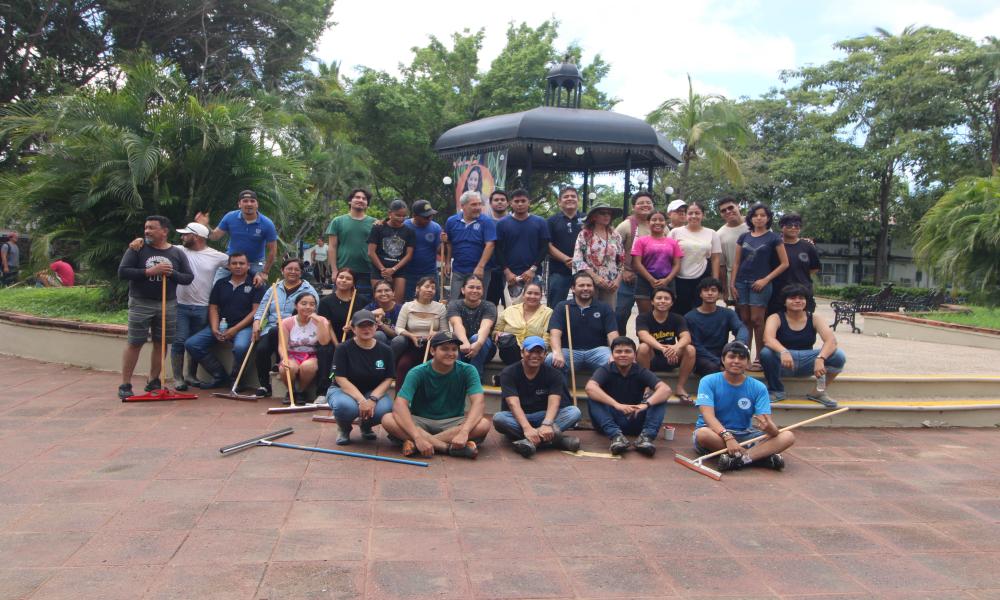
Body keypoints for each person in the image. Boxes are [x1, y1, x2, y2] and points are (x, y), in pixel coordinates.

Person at [116, 216, 194, 400]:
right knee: (135, 342)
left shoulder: (176, 253)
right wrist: (149, 272)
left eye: (151, 228)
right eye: (146, 227)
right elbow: (123, 272)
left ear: (164, 231)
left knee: (162, 342)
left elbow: (188, 277)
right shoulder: (137, 248)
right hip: (141, 302)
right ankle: (125, 383)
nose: (147, 231)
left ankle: (153, 380)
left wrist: (171, 273)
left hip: (168, 303)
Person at [381, 331, 491, 459]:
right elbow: (400, 405)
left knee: (484, 424)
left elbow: (479, 403)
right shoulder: (417, 372)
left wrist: (465, 431)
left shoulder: (468, 370)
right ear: (432, 351)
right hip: (420, 420)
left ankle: (420, 444)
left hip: (453, 422)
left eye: (454, 349)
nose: (450, 353)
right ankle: (447, 448)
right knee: (388, 419)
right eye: (444, 349)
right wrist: (417, 436)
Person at [693, 341, 794, 472]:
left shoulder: (758, 387)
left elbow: (768, 424)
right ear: (723, 360)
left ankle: (740, 459)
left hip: (745, 435)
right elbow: (708, 416)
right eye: (731, 357)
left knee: (788, 436)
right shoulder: (708, 381)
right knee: (702, 434)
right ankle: (760, 457)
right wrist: (727, 437)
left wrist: (771, 429)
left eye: (741, 358)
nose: (736, 361)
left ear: (748, 363)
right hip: (716, 434)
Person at [184, 252, 264, 389]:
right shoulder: (221, 283)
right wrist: (215, 328)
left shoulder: (256, 285)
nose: (238, 266)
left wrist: (235, 329)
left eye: (241, 263)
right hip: (221, 325)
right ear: (228, 266)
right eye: (234, 263)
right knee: (192, 344)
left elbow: (255, 311)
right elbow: (213, 308)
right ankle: (219, 375)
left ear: (248, 266)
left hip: (244, 327)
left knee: (240, 348)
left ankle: (236, 380)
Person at [493, 336, 582, 458]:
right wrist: (527, 428)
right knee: (499, 418)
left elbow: (554, 402)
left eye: (539, 352)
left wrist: (546, 424)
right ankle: (557, 440)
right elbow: (513, 404)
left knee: (574, 412)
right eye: (530, 351)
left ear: (545, 354)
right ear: (522, 353)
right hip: (518, 418)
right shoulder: (508, 372)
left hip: (543, 416)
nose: (535, 355)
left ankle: (528, 442)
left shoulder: (554, 374)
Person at [585, 336, 672, 456]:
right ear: (612, 354)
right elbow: (590, 387)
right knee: (593, 398)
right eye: (618, 351)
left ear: (634, 355)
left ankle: (646, 438)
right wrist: (617, 405)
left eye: (627, 351)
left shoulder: (641, 371)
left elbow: (666, 389)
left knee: (660, 399)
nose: (623, 355)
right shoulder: (605, 370)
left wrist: (645, 405)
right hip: (611, 420)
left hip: (635, 417)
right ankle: (616, 437)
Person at [761, 284, 846, 407]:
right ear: (784, 302)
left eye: (801, 298)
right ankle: (776, 390)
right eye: (792, 298)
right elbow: (768, 339)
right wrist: (783, 351)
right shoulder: (775, 318)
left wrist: (820, 357)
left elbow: (831, 341)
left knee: (838, 355)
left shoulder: (814, 318)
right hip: (784, 363)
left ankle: (818, 392)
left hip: (808, 361)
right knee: (766, 353)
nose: (797, 301)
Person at [169, 222, 229, 390]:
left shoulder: (216, 256)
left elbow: (238, 263)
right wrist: (139, 241)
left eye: (186, 234)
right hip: (180, 305)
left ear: (196, 237)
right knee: (179, 341)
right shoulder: (178, 250)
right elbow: (160, 247)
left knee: (193, 341)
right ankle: (178, 378)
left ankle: (190, 375)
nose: (182, 237)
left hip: (202, 306)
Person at [731, 202, 789, 370]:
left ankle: (761, 357)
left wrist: (766, 279)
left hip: (761, 284)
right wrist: (732, 284)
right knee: (745, 320)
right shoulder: (744, 237)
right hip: (741, 283)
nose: (759, 218)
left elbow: (784, 263)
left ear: (768, 218)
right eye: (756, 215)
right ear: (751, 218)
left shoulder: (774, 238)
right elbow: (736, 263)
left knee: (757, 320)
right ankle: (744, 356)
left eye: (763, 215)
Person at [251, 258, 319, 398]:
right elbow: (262, 308)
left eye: (297, 269)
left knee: (277, 330)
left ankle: (280, 364)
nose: (292, 272)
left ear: (301, 272)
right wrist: (257, 322)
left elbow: (312, 313)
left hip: (295, 332)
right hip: (271, 329)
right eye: (289, 269)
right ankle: (264, 385)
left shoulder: (308, 290)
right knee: (261, 349)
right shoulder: (274, 288)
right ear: (282, 270)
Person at [327, 310, 396, 445]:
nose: (366, 329)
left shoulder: (386, 350)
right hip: (344, 390)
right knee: (345, 407)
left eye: (370, 325)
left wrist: (373, 399)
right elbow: (340, 378)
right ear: (353, 329)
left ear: (376, 327)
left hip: (372, 391)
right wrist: (361, 401)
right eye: (361, 326)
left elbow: (388, 378)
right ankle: (344, 428)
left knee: (384, 409)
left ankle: (366, 425)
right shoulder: (342, 348)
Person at [195, 190, 275, 286]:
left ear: (257, 204)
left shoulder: (267, 223)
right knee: (216, 286)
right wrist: (205, 225)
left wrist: (265, 272)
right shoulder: (230, 217)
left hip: (255, 263)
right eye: (245, 201)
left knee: (259, 288)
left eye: (252, 201)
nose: (249, 204)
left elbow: (272, 250)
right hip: (232, 261)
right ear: (239, 204)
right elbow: (214, 236)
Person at [546, 272, 619, 378]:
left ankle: (602, 393)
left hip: (598, 352)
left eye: (589, 285)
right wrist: (557, 352)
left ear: (594, 288)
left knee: (618, 361)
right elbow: (554, 334)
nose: (585, 288)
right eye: (581, 285)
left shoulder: (604, 308)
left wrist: (614, 353)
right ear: (573, 288)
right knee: (550, 359)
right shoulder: (562, 307)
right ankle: (561, 394)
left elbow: (612, 334)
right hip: (570, 352)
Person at [636, 288, 696, 402]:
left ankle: (680, 387)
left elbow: (686, 337)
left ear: (672, 303)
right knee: (643, 347)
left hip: (671, 359)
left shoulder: (678, 318)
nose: (662, 301)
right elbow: (643, 335)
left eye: (666, 298)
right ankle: (646, 386)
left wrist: (675, 348)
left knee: (690, 349)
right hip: (650, 359)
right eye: (659, 298)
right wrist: (662, 348)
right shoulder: (643, 317)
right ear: (652, 302)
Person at [685, 278, 750, 377]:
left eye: (713, 290)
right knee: (713, 367)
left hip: (722, 353)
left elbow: (741, 328)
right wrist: (720, 362)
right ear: (700, 294)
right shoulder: (689, 317)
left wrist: (739, 343)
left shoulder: (728, 313)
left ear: (719, 294)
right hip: (700, 357)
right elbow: (696, 346)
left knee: (737, 361)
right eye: (706, 290)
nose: (710, 293)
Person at [392, 276, 448, 386]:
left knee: (431, 370)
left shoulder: (440, 307)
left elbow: (446, 332)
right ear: (418, 288)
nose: (430, 290)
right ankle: (399, 399)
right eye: (426, 286)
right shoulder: (408, 306)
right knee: (403, 365)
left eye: (433, 288)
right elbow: (398, 328)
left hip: (432, 346)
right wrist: (411, 335)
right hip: (412, 345)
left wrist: (437, 334)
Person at [669, 201, 721, 316]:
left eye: (697, 213)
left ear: (703, 215)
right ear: (686, 215)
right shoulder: (675, 232)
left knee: (700, 311)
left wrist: (715, 282)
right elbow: (668, 255)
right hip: (679, 278)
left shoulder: (712, 233)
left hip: (702, 277)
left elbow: (715, 258)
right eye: (690, 213)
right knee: (679, 311)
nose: (693, 216)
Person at [496, 188, 549, 302]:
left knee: (532, 306)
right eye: (516, 201)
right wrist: (507, 272)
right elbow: (498, 249)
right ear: (511, 203)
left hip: (533, 273)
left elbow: (544, 247)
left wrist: (533, 269)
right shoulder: (502, 223)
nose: (520, 204)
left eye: (523, 201)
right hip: (510, 274)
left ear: (529, 202)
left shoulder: (540, 222)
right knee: (511, 310)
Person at [277, 293, 330, 405]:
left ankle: (301, 391)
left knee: (308, 367)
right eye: (303, 303)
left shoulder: (321, 320)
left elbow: (324, 342)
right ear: (296, 306)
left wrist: (320, 323)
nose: (308, 307)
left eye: (312, 304)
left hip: (312, 355)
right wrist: (284, 358)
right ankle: (291, 391)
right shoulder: (287, 322)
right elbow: (282, 345)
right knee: (286, 368)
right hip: (292, 354)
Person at [443, 190, 496, 301]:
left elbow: (490, 245)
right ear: (463, 206)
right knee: (455, 301)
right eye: (473, 204)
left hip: (481, 271)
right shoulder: (451, 221)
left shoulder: (486, 222)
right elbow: (449, 243)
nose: (478, 207)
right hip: (458, 269)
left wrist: (480, 267)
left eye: (479, 204)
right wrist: (447, 262)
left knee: (478, 302)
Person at [572, 200, 625, 308]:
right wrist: (595, 277)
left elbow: (622, 260)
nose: (606, 216)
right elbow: (578, 259)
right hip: (588, 282)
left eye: (609, 213)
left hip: (611, 283)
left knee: (608, 314)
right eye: (602, 213)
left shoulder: (615, 235)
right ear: (594, 216)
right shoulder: (585, 234)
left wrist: (618, 281)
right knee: (587, 313)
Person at [631, 210, 683, 316]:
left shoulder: (673, 242)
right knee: (645, 316)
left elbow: (677, 264)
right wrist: (651, 280)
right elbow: (637, 263)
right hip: (645, 283)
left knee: (666, 316)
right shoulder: (641, 241)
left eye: (661, 220)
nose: (657, 222)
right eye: (654, 220)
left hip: (667, 282)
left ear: (665, 222)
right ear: (648, 222)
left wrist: (667, 280)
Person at [614, 192, 653, 333]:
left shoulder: (659, 225)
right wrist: (623, 270)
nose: (645, 205)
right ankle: (619, 346)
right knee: (620, 313)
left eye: (648, 202)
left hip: (651, 278)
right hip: (628, 279)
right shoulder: (625, 226)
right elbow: (613, 250)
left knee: (649, 316)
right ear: (633, 207)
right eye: (641, 203)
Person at [327, 188, 376, 299]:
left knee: (364, 308)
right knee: (340, 305)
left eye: (364, 198)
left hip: (367, 272)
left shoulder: (374, 223)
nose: (361, 200)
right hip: (344, 272)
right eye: (357, 197)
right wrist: (334, 271)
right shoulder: (337, 221)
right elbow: (332, 247)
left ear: (367, 203)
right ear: (350, 201)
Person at [768, 212, 820, 315]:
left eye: (797, 226)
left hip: (803, 293)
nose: (793, 228)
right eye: (789, 225)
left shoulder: (808, 246)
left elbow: (814, 268)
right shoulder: (774, 246)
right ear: (782, 227)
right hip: (778, 294)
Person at [447, 275, 497, 377]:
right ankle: (457, 376)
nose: (475, 290)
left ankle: (475, 377)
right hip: (461, 347)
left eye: (478, 288)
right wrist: (464, 342)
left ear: (483, 291)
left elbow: (485, 327)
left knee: (476, 337)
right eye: (471, 287)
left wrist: (478, 343)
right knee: (451, 338)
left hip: (483, 347)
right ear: (463, 290)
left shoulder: (489, 306)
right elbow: (457, 324)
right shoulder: (454, 305)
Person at [367, 199, 415, 303]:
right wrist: (383, 270)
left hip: (399, 270)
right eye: (398, 215)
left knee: (396, 303)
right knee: (380, 301)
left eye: (404, 216)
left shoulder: (409, 231)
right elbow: (371, 252)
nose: (401, 218)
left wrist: (393, 269)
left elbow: (409, 255)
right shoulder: (378, 228)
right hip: (379, 270)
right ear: (390, 213)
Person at [494, 281, 552, 366]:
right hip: (510, 351)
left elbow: (546, 338)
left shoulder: (548, 313)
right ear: (523, 295)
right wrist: (497, 333)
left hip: (535, 352)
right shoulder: (510, 310)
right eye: (529, 293)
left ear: (541, 296)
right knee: (510, 344)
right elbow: (496, 330)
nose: (532, 296)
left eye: (536, 294)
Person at [546, 187, 585, 307]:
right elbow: (547, 245)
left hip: (583, 271)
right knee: (555, 305)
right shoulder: (551, 221)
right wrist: (566, 259)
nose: (570, 198)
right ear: (559, 201)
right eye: (566, 196)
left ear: (578, 200)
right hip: (558, 271)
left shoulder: (587, 219)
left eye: (573, 196)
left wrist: (578, 261)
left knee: (583, 304)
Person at [401, 199, 442, 301]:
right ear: (414, 216)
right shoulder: (404, 226)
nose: (429, 219)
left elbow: (439, 250)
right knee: (409, 303)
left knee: (432, 302)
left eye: (431, 216)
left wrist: (445, 242)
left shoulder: (436, 227)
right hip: (408, 273)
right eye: (426, 217)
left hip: (429, 272)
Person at [716, 197, 749, 305]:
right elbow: (722, 266)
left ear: (738, 206)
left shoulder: (755, 224)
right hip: (735, 282)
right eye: (723, 210)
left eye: (731, 207)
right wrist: (724, 290)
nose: (728, 212)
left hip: (760, 279)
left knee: (758, 319)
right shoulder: (719, 235)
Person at [484, 189, 509, 307]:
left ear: (508, 203)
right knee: (489, 308)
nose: (499, 202)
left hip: (510, 272)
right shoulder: (485, 222)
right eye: (496, 200)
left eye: (502, 200)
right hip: (490, 271)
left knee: (512, 309)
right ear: (490, 203)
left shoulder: (514, 221)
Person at [364, 279, 401, 344]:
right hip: (376, 344)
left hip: (395, 345)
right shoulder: (371, 307)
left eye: (387, 290)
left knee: (400, 339)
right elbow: (353, 321)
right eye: (379, 291)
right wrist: (372, 313)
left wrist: (381, 324)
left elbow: (397, 334)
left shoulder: (401, 309)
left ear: (393, 293)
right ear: (374, 294)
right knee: (379, 335)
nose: (383, 294)